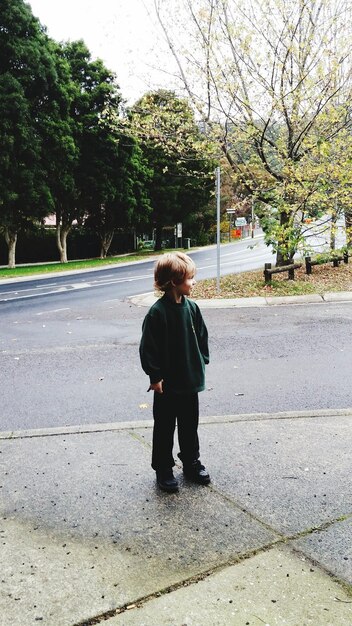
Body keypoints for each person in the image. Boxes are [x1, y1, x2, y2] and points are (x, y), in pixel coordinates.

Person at [139, 251, 211, 493]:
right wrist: (155, 376)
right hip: (167, 385)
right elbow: (149, 347)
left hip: (190, 381)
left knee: (190, 426)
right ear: (174, 281)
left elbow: (202, 336)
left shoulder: (192, 308)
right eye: (190, 278)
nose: (193, 282)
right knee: (165, 427)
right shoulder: (157, 313)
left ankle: (191, 462)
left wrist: (203, 359)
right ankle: (163, 468)